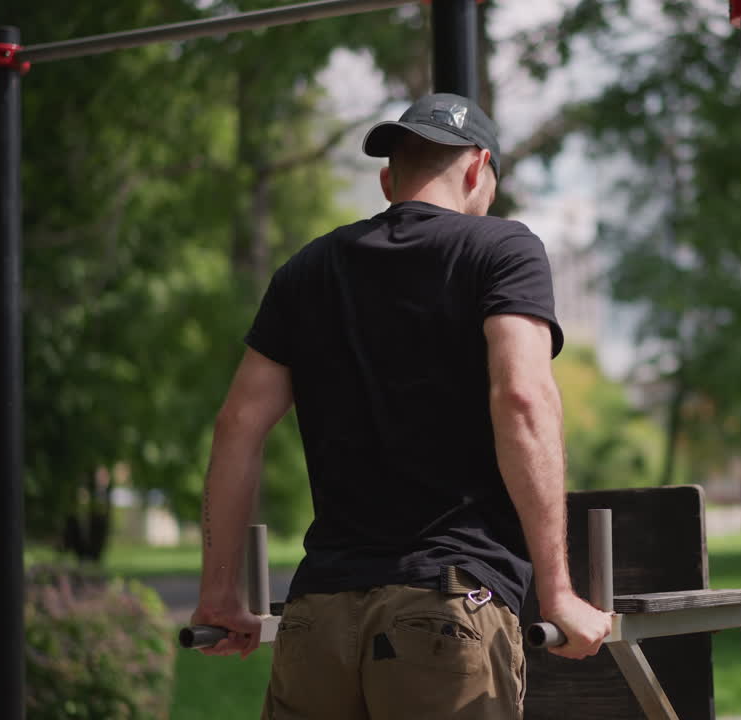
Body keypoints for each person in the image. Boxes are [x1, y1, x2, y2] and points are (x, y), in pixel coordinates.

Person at [189, 93, 613, 720]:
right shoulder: (503, 249)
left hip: (318, 614)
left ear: (389, 180)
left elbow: (236, 427)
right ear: (479, 169)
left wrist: (219, 593)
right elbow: (523, 398)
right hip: (444, 609)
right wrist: (559, 594)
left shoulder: (305, 271)